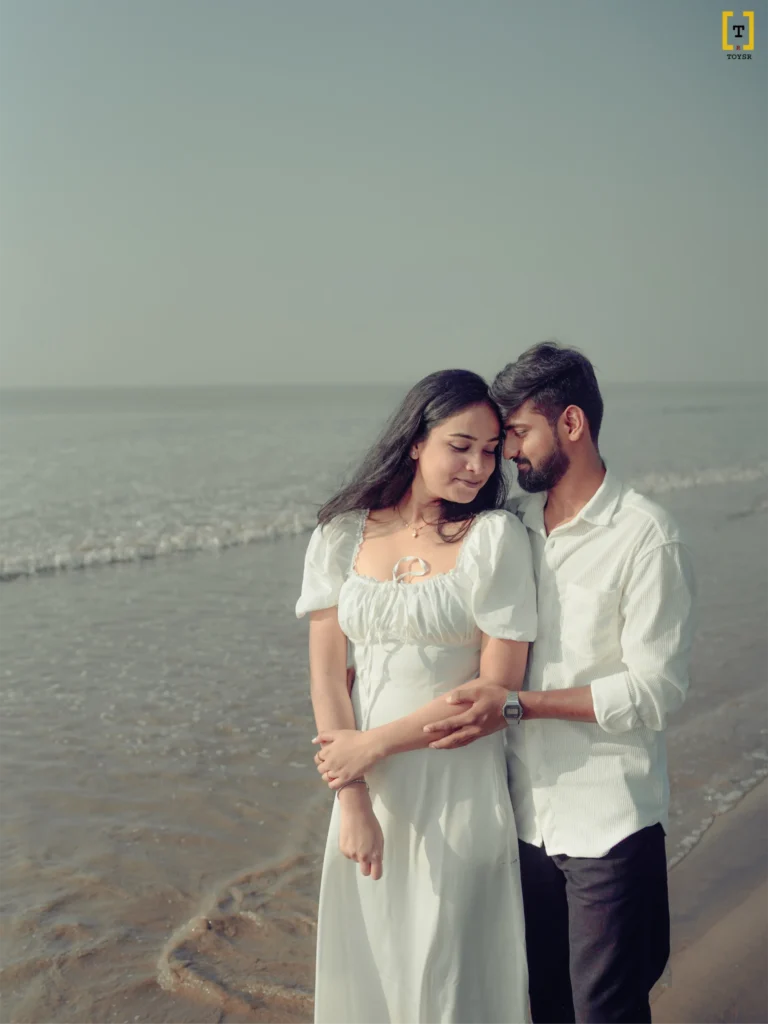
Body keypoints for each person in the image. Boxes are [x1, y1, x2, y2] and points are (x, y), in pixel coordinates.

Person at [421, 343, 697, 1024]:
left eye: (518, 433)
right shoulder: (512, 529)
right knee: (546, 1005)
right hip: (525, 820)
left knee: (605, 1011)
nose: (506, 454)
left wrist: (518, 706)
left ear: (571, 423)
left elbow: (656, 689)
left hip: (609, 823)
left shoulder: (646, 536)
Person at [296, 369, 537, 1024]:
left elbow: (496, 688)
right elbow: (327, 678)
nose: (478, 466)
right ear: (414, 440)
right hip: (367, 793)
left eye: (490, 451)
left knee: (448, 973)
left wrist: (371, 745)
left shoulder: (494, 538)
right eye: (461, 446)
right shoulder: (340, 537)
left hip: (457, 786)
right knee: (372, 967)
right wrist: (352, 797)